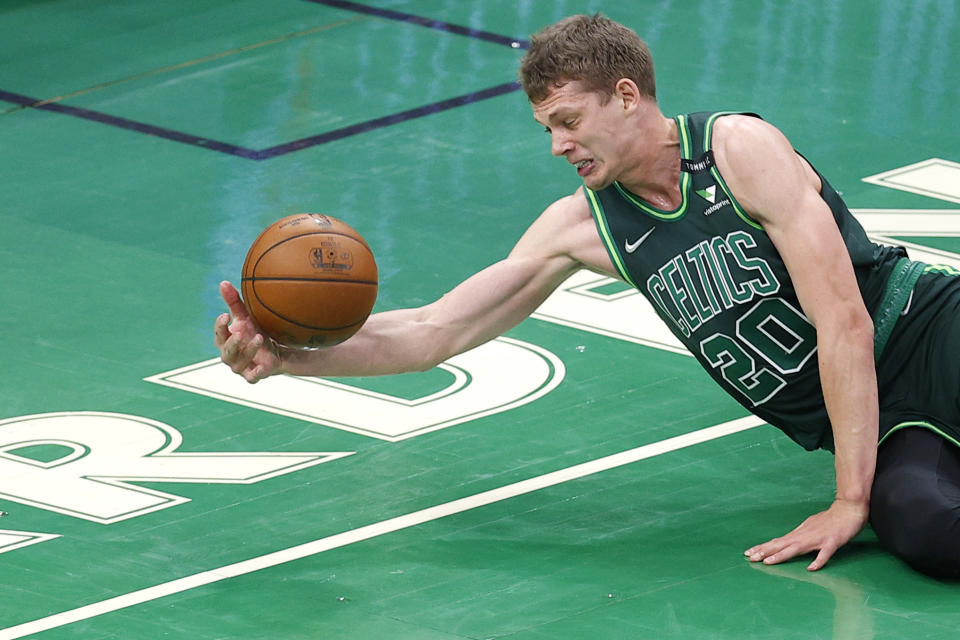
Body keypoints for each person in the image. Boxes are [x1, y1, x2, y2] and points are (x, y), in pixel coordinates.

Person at [214, 14, 960, 577]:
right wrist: (290, 358)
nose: (557, 146)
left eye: (567, 122)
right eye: (546, 127)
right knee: (927, 528)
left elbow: (844, 322)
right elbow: (434, 331)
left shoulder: (737, 151)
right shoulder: (582, 226)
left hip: (929, 331)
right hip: (887, 423)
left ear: (626, 96)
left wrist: (847, 502)